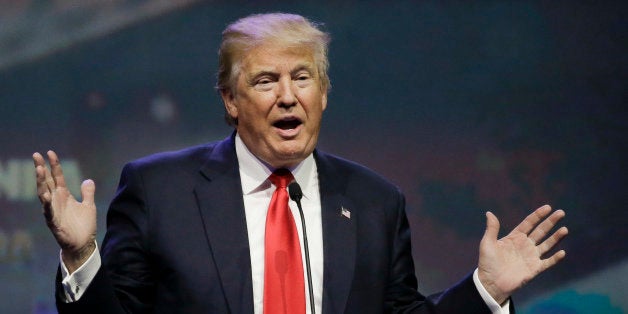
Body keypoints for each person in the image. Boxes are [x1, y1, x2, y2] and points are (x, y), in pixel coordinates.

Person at [32, 13, 568, 314]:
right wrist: (81, 255)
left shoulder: (374, 201)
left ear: (325, 93)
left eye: (303, 78)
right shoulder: (159, 189)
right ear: (230, 101)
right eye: (266, 81)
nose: (288, 97)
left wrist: (485, 291)